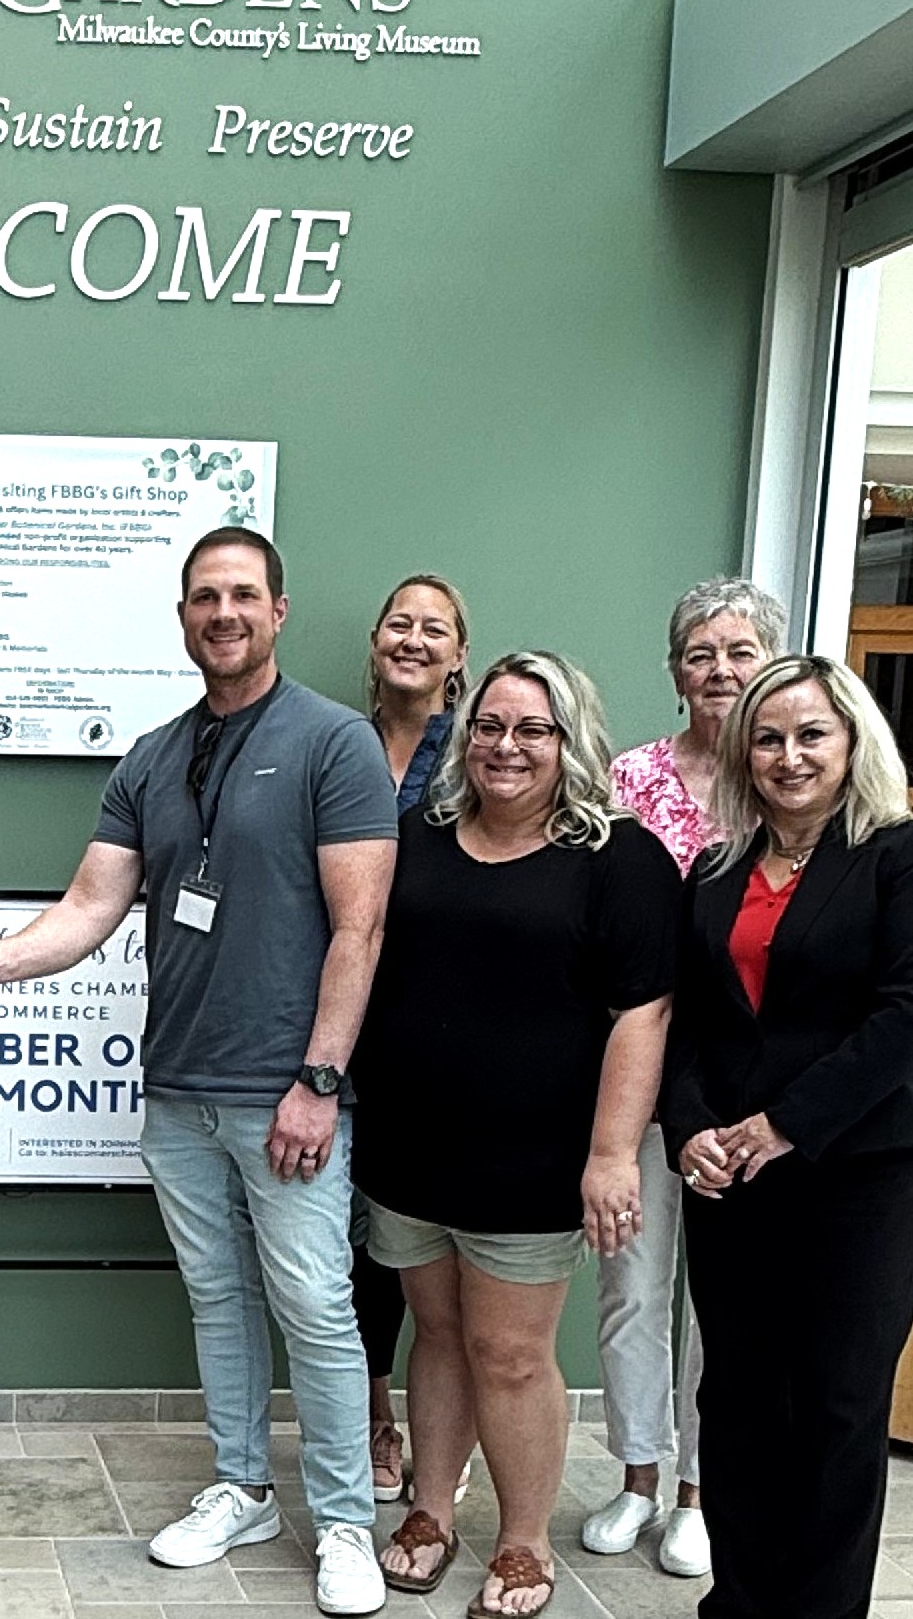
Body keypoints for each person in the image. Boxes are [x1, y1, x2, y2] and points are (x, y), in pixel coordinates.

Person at [0, 527, 398, 1619]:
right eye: (204, 597)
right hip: (176, 1090)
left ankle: (346, 1522)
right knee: (217, 1297)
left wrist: (318, 1081)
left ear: (278, 610)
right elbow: (88, 908)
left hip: (285, 1091)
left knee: (315, 1305)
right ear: (182, 617)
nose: (223, 613)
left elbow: (360, 928)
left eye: (242, 594)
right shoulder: (151, 757)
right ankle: (241, 1487)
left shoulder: (333, 742)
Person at [354, 652, 677, 1616]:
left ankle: (524, 1539)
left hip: (532, 1161)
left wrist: (611, 1155)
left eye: (532, 729)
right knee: (438, 1333)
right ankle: (430, 1510)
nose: (505, 747)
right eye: (489, 726)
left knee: (509, 1353)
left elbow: (643, 1013)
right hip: (411, 1150)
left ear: (569, 741)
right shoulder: (420, 835)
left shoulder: (618, 859)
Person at [665, 655, 913, 1619]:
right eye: (766, 739)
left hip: (859, 1179)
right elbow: (686, 1024)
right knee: (735, 1402)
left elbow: (902, 1019)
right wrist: (689, 1128)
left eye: (811, 735)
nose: (787, 756)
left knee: (836, 1410)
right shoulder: (715, 869)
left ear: (851, 741)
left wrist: (784, 1124)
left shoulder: (895, 856)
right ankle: (738, 1602)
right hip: (732, 1180)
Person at [588, 577, 783, 1580]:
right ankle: (634, 1474)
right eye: (699, 653)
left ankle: (699, 1493)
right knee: (629, 1281)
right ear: (674, 671)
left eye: (739, 651)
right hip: (637, 1072)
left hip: (743, 1085)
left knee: (722, 1299)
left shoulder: (791, 780)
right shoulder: (627, 779)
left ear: (769, 664)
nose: (719, 669)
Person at [357, 572, 469, 1505]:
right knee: (360, 1238)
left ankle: (447, 1436)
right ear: (374, 642)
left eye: (435, 629)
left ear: (458, 654)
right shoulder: (335, 744)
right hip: (343, 1016)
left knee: (432, 1240)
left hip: (443, 1022)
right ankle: (373, 1413)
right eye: (400, 624)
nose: (414, 640)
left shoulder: (482, 753)